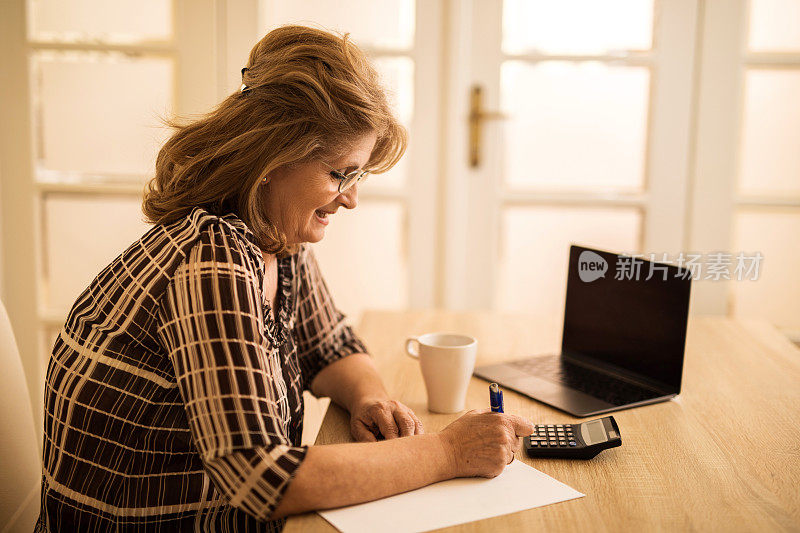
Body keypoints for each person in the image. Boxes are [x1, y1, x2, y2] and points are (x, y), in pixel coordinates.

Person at [37, 25, 534, 532]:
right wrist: (448, 452)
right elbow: (263, 478)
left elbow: (330, 344)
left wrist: (371, 398)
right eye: (341, 174)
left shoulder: (276, 233)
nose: (351, 198)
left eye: (357, 176)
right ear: (274, 158)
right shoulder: (213, 261)